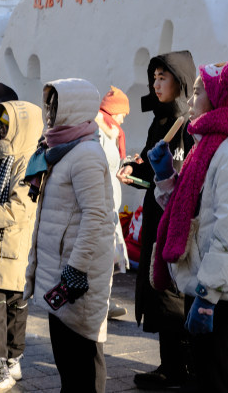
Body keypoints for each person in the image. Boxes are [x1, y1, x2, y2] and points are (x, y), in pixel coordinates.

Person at [147, 59, 228, 393]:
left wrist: (207, 296)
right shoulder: (210, 145)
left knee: (221, 378)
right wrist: (164, 177)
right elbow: (191, 212)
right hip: (209, 281)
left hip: (221, 288)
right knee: (207, 376)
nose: (190, 103)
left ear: (222, 98)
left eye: (198, 93)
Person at [23, 78, 116, 393]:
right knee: (68, 368)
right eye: (48, 104)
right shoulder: (61, 150)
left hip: (76, 278)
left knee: (82, 368)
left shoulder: (86, 153)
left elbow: (95, 215)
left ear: (73, 108)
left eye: (55, 105)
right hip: (60, 275)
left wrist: (75, 268)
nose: (49, 113)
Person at [116, 51, 196, 390]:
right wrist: (134, 171)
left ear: (180, 82)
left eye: (163, 77)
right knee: (158, 286)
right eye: (155, 76)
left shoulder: (184, 122)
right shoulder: (161, 118)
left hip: (173, 219)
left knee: (172, 292)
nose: (156, 83)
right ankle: (170, 364)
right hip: (156, 214)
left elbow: (179, 174)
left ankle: (180, 367)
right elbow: (154, 168)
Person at [0, 100, 43, 392]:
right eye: (1, 125)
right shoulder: (5, 157)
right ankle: (10, 360)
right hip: (9, 246)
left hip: (10, 243)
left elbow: (18, 208)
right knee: (9, 305)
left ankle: (1, 363)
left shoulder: (27, 162)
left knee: (1, 306)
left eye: (7, 126)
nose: (2, 131)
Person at [94, 86, 131, 319]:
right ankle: (99, 303)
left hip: (109, 202)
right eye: (122, 112)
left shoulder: (111, 131)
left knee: (106, 255)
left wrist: (128, 164)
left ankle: (102, 302)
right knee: (101, 255)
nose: (124, 118)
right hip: (101, 202)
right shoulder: (101, 131)